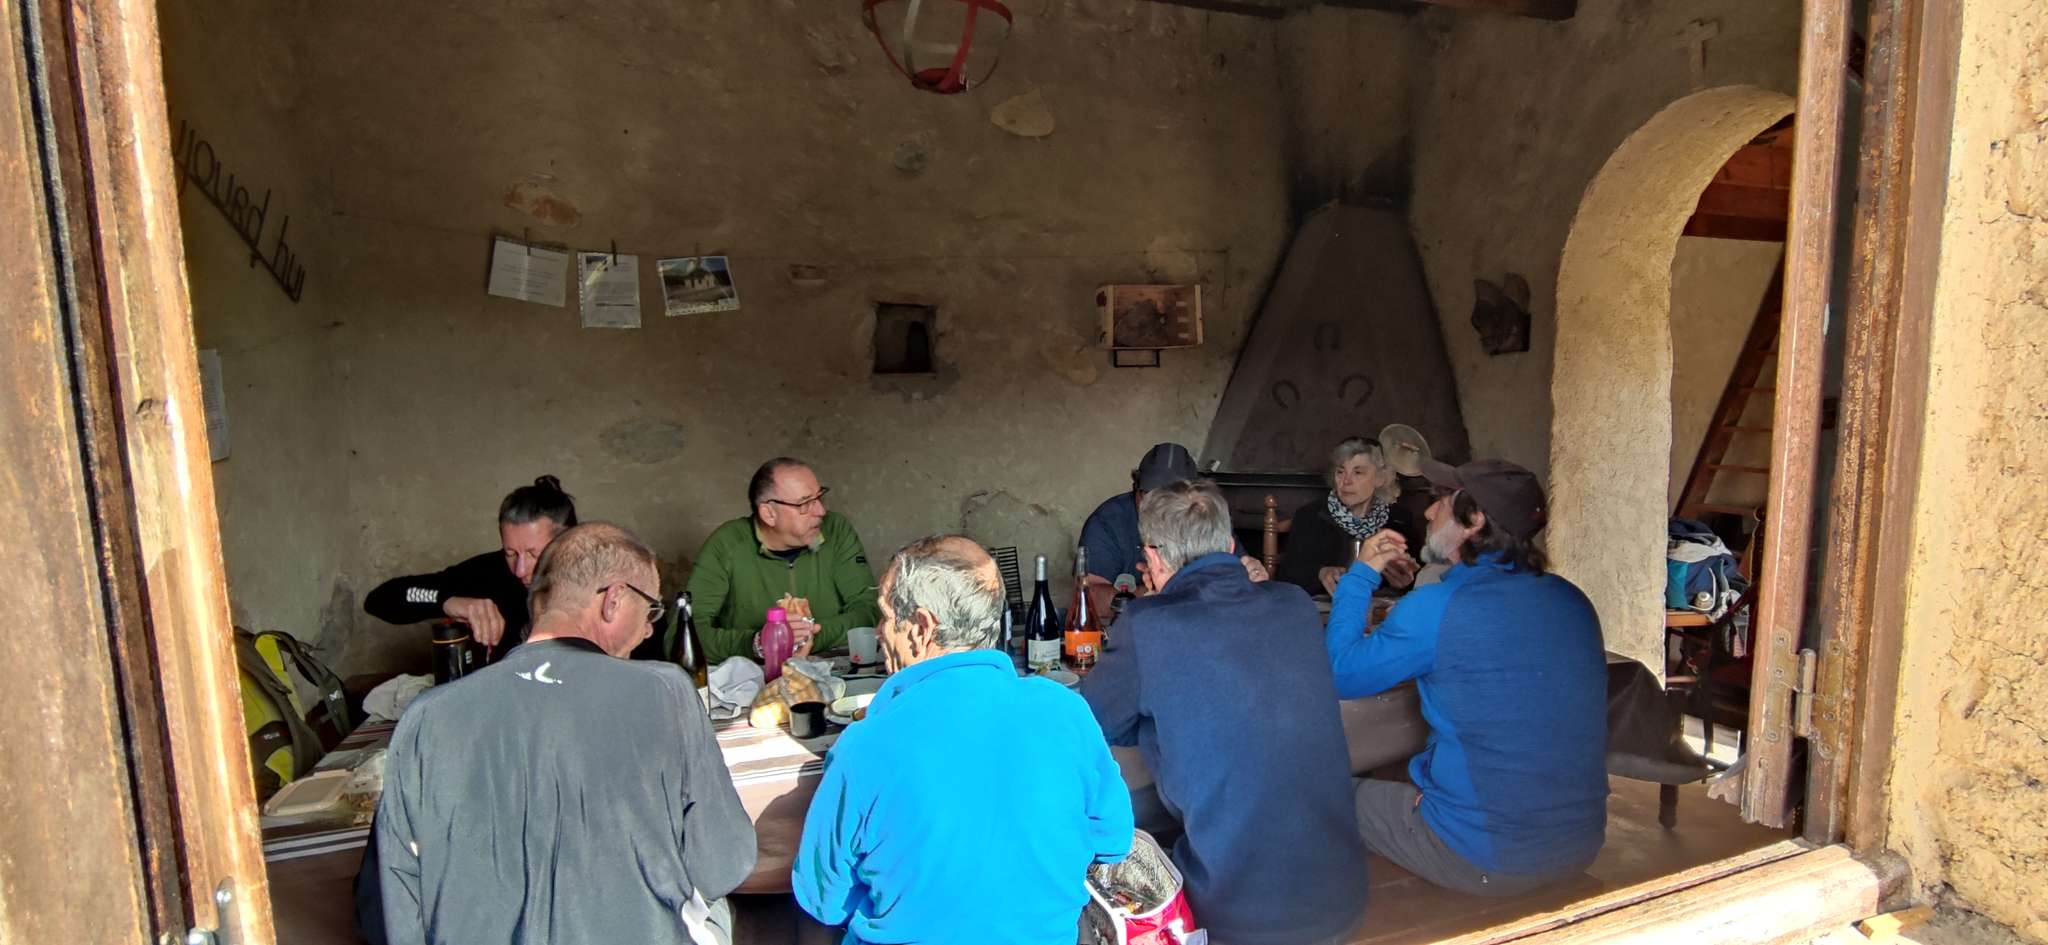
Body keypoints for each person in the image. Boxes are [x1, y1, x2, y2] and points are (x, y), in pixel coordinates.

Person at [376, 523, 756, 945]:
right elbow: (724, 862)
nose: (650, 629)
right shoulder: (663, 690)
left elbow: (393, 900)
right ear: (614, 599)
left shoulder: (426, 716)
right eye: (650, 610)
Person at [794, 536, 1133, 945]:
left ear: (922, 627)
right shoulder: (1065, 710)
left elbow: (824, 902)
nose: (880, 633)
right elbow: (1113, 840)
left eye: (885, 617)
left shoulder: (864, 745)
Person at [1082, 480, 1370, 945]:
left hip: (1238, 917)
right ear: (1231, 545)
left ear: (1153, 558)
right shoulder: (1295, 604)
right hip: (1342, 900)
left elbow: (1094, 721)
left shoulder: (1149, 624)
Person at [1326, 458, 1608, 897]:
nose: (1428, 512)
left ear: (1474, 519)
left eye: (1441, 500)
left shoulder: (1438, 607)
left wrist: (1361, 575)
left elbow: (1339, 675)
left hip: (1485, 855)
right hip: (1582, 842)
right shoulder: (1573, 600)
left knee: (1314, 793)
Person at [687, 457, 882, 665]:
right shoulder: (727, 544)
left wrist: (808, 637)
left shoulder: (836, 530)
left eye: (819, 497)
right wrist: (756, 644)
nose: (821, 511)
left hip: (833, 669)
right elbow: (684, 634)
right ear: (769, 514)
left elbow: (867, 612)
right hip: (755, 676)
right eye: (805, 503)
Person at [363, 475, 576, 660]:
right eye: (510, 553)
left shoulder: (590, 581)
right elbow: (381, 599)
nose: (519, 570)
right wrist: (445, 601)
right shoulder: (488, 572)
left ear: (567, 544)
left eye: (533, 554)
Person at [1078, 442, 1267, 619]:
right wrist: (1155, 593)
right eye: (1151, 495)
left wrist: (1252, 576)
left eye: (1173, 500)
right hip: (1127, 627)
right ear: (1136, 488)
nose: (1161, 508)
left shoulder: (1204, 518)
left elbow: (1239, 579)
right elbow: (1088, 597)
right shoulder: (1108, 521)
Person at [1273, 437, 1422, 596]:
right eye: (1340, 471)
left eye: (1357, 472)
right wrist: (1320, 573)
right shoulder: (1310, 515)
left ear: (1380, 478)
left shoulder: (1399, 519)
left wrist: (1404, 581)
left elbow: (1417, 577)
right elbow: (1287, 575)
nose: (1346, 481)